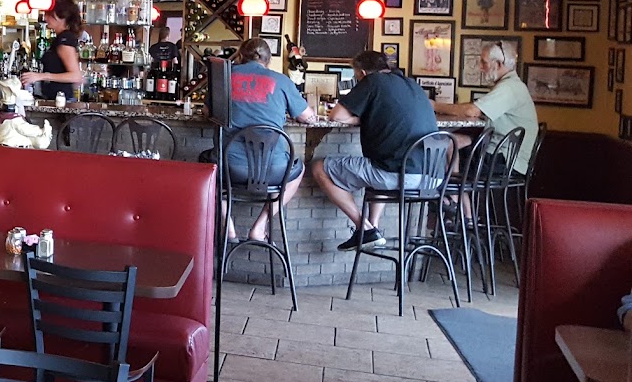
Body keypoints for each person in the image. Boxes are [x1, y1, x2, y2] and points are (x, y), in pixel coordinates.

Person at [310, 49, 439, 250]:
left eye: (356, 77)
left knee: (319, 168)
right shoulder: (411, 84)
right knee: (379, 164)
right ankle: (372, 228)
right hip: (433, 177)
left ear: (362, 73)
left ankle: (365, 228)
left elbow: (336, 116)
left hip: (400, 174)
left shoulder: (372, 81)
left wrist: (361, 117)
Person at [215, 37, 319, 243]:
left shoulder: (224, 77)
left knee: (208, 172)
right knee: (297, 171)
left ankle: (228, 227)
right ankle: (260, 226)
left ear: (241, 55)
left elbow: (207, 110)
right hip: (274, 169)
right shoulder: (282, 81)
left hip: (230, 167)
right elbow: (308, 118)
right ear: (269, 59)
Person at [432, 40, 539, 176]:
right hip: (504, 157)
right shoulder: (511, 85)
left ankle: (454, 187)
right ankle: (456, 187)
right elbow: (476, 109)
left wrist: (434, 106)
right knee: (450, 145)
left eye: (484, 62)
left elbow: (472, 111)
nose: (480, 67)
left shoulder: (509, 88)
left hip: (504, 161)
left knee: (441, 158)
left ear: (498, 64)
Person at [21, 0, 84, 103]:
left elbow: (75, 76)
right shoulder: (61, 38)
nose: (45, 18)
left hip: (62, 102)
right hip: (57, 99)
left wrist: (40, 76)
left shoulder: (65, 39)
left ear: (61, 18)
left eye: (49, 15)